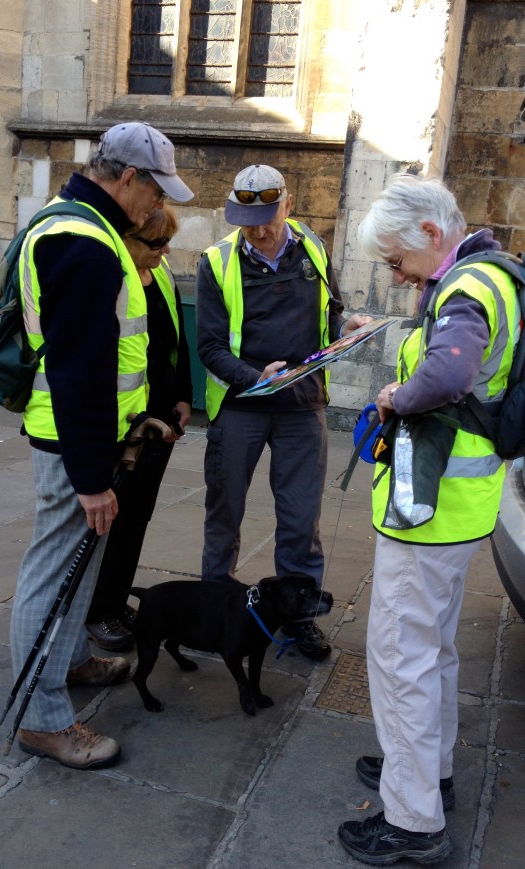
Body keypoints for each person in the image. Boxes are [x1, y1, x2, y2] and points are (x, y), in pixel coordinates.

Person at [337, 174, 519, 865]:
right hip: (457, 507)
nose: (395, 273)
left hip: (430, 511)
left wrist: (394, 393)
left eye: (396, 259)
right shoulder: (488, 276)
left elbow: (446, 376)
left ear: (433, 236)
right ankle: (429, 774)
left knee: (400, 657)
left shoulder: (466, 289)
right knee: (433, 650)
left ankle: (413, 819)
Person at [9, 122, 193, 770]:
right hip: (71, 444)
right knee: (52, 571)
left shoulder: (88, 230)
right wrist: (92, 478)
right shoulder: (82, 240)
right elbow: (79, 369)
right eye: (154, 190)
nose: (155, 208)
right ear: (126, 178)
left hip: (87, 439)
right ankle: (42, 720)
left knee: (76, 569)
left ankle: (67, 665)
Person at [196, 164, 369, 660]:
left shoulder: (312, 248)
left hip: (302, 405)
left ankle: (297, 618)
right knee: (224, 513)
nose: (260, 229)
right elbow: (209, 346)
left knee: (300, 518)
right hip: (242, 407)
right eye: (248, 219)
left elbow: (330, 315)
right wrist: (254, 378)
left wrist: (348, 325)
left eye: (268, 216)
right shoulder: (217, 262)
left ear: (288, 205)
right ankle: (214, 607)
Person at [85, 205, 193, 651]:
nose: (165, 251)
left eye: (167, 241)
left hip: (160, 418)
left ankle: (115, 601)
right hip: (122, 424)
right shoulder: (110, 277)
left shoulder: (160, 272)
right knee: (111, 520)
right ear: (127, 240)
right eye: (155, 243)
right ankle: (95, 611)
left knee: (138, 517)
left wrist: (183, 395)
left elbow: (176, 338)